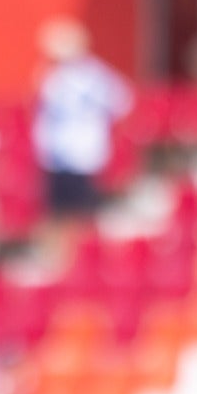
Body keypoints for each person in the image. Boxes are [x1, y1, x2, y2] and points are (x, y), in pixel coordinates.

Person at [27, 16, 132, 276]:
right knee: (61, 212)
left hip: (77, 154)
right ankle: (60, 263)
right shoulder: (66, 75)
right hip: (66, 155)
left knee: (74, 213)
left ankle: (77, 264)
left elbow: (121, 102)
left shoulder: (72, 76)